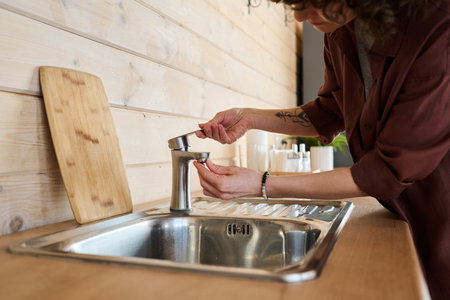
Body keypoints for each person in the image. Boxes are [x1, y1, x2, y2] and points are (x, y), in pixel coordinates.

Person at [193, 0, 450, 299]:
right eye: (294, 4)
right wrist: (249, 117)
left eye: (313, 3)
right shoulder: (341, 28)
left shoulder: (437, 31)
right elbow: (329, 112)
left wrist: (262, 184)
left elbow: (388, 170)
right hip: (401, 211)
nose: (300, 17)